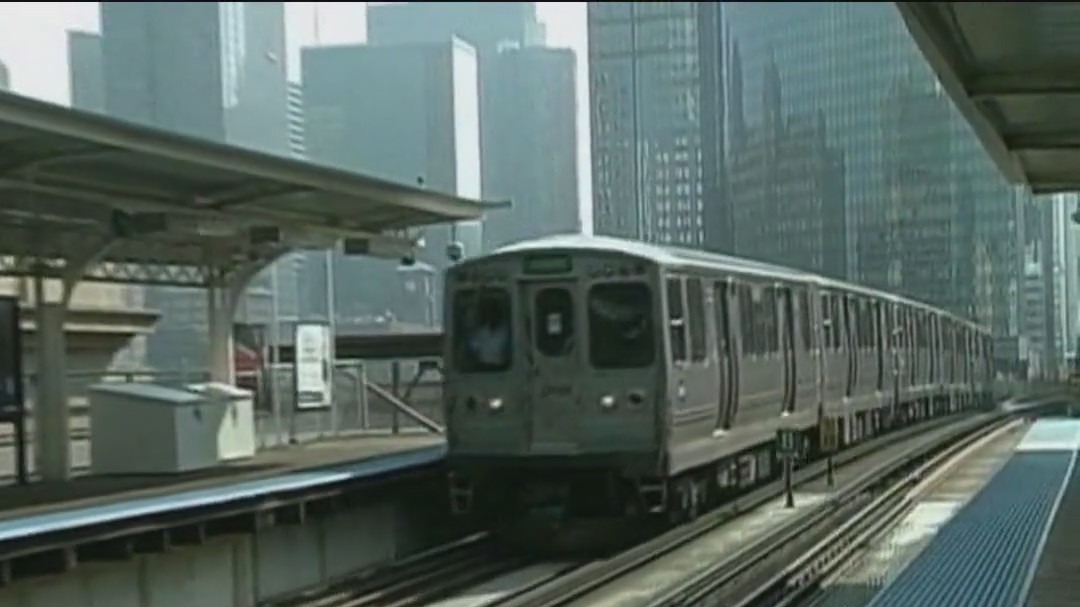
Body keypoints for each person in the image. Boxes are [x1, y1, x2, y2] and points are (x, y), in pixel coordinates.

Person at [469, 297, 509, 367]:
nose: (492, 315)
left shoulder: (505, 332)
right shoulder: (481, 332)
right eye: (490, 312)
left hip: (501, 369)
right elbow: (473, 348)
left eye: (495, 312)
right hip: (482, 369)